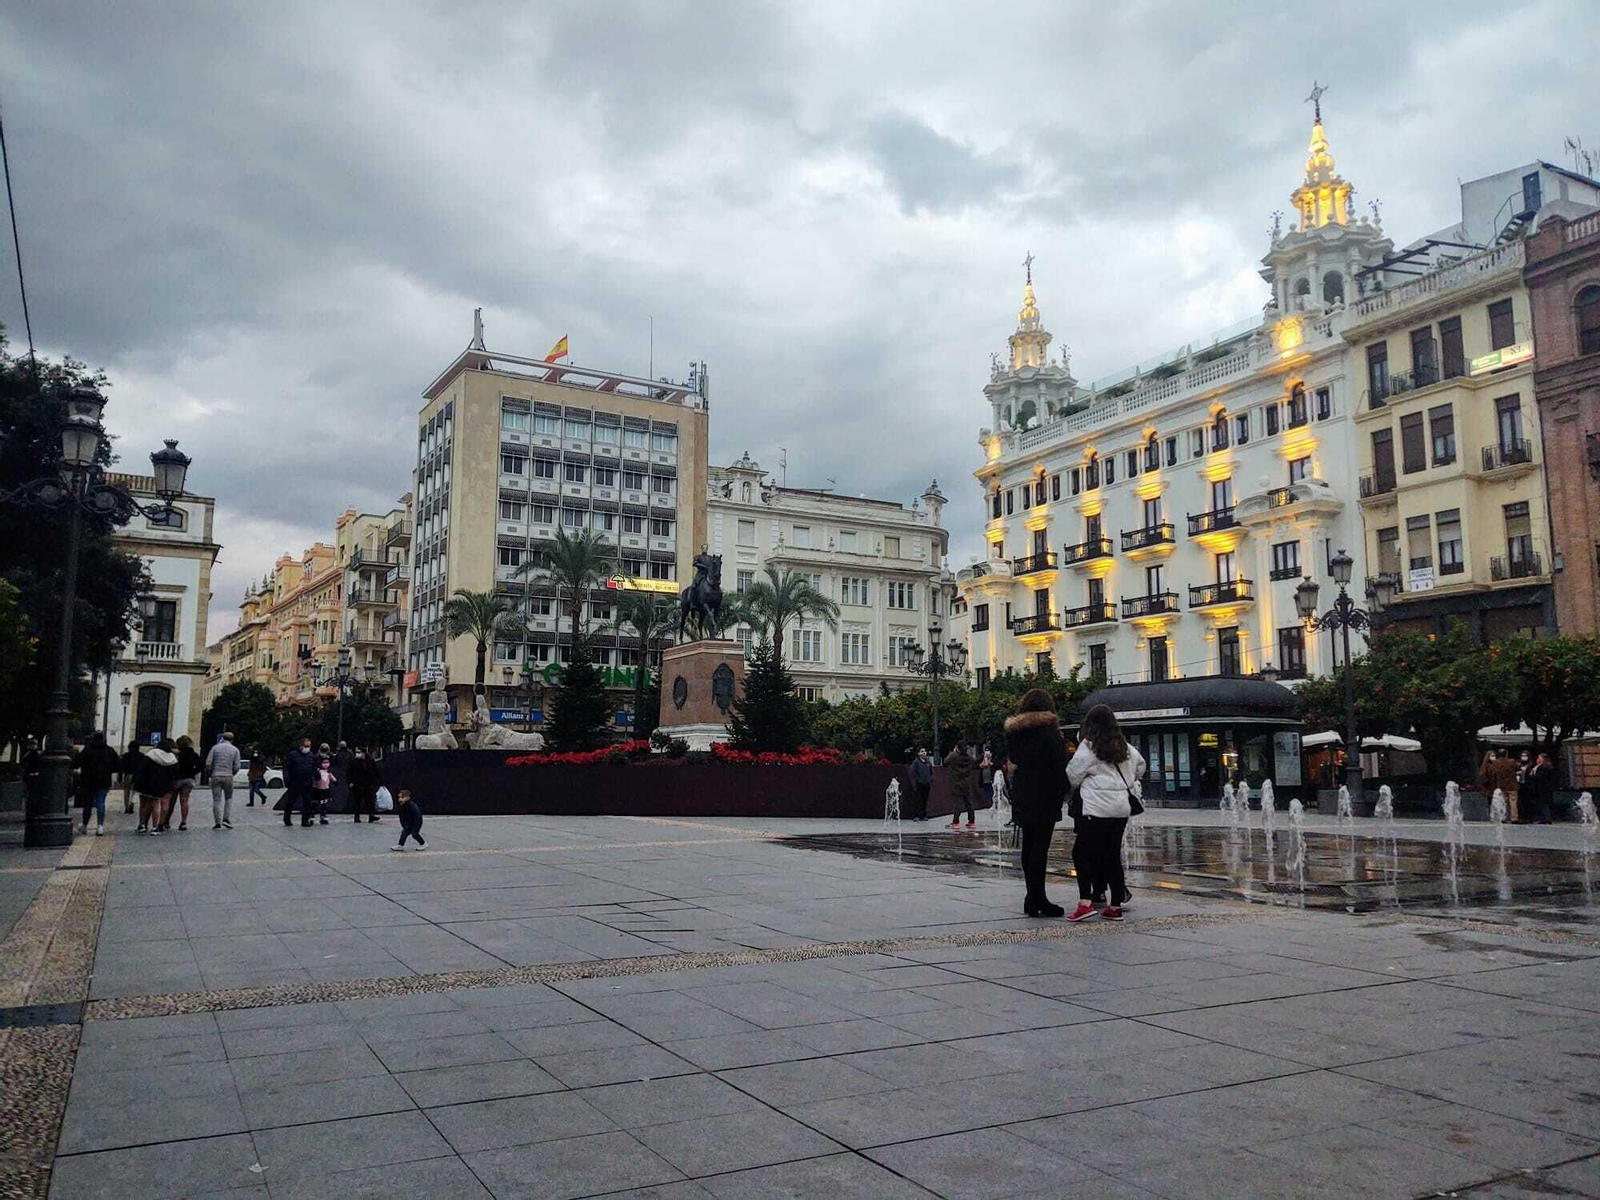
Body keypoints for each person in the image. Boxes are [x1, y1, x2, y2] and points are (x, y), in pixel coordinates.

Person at [1066, 703, 1145, 922]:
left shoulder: (1089, 747)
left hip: (1096, 809)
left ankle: (1085, 903)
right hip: (1121, 809)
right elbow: (1141, 767)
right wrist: (1127, 781)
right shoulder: (1125, 747)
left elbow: (1072, 775)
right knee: (1112, 855)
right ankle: (1115, 905)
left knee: (1081, 854)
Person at [1004, 690, 1068, 917]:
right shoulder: (1049, 732)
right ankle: (1038, 899)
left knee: (1029, 845)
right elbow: (1060, 764)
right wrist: (1065, 791)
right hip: (1046, 794)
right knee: (1041, 846)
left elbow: (1013, 760)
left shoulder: (1015, 733)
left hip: (1022, 793)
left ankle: (1031, 898)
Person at [73, 732, 120, 836]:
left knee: (88, 804)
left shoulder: (87, 750)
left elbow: (76, 763)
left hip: (88, 781)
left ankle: (84, 825)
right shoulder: (109, 750)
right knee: (101, 803)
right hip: (103, 781)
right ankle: (100, 826)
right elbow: (117, 765)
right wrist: (108, 770)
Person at [132, 738, 179, 835]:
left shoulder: (152, 754)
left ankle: (142, 825)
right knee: (156, 804)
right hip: (161, 784)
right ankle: (155, 826)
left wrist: (136, 781)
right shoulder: (172, 758)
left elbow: (142, 768)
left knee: (143, 804)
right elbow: (175, 773)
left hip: (146, 782)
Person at [161, 735, 202, 831]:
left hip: (177, 778)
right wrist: (193, 772)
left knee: (171, 801)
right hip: (189, 779)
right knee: (184, 801)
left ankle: (166, 821)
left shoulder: (177, 754)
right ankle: (183, 822)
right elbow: (200, 765)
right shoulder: (194, 754)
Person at [205, 732, 242, 830]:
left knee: (216, 800)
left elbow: (208, 763)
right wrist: (232, 772)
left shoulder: (215, 748)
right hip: (228, 776)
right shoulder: (235, 750)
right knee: (228, 798)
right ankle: (226, 818)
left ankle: (217, 822)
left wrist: (211, 772)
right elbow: (237, 766)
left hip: (216, 775)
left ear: (222, 738)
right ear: (232, 740)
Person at [1478, 749, 1520, 824]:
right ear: (1506, 754)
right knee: (1513, 802)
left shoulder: (1495, 763)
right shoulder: (1511, 762)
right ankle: (1514, 818)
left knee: (1504, 802)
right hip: (1512, 785)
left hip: (1501, 785)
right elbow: (1518, 769)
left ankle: (1504, 817)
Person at [283, 736, 317, 828]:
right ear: (301, 746)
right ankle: (287, 819)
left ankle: (305, 821)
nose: (307, 748)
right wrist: (287, 780)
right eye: (306, 746)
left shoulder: (311, 755)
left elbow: (314, 768)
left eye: (309, 746)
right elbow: (286, 768)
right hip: (294, 783)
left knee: (307, 802)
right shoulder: (292, 755)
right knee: (290, 802)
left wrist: (317, 776)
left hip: (307, 783)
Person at [944, 740, 976, 830]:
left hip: (956, 783)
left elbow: (945, 762)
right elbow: (974, 763)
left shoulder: (954, 756)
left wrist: (953, 752)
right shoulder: (969, 758)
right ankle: (971, 821)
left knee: (958, 803)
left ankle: (956, 822)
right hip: (967, 783)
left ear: (957, 748)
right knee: (969, 803)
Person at [347, 749, 384, 823]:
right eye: (357, 752)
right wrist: (350, 782)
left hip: (368, 784)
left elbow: (375, 771)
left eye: (359, 752)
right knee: (357, 801)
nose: (358, 754)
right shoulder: (353, 762)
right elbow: (349, 772)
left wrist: (379, 780)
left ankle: (371, 816)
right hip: (357, 784)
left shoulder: (369, 761)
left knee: (369, 801)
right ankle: (357, 817)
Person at [1524, 751, 1556, 824]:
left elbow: (1540, 777)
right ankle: (1543, 818)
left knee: (1543, 804)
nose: (1538, 759)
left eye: (1539, 758)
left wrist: (1532, 775)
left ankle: (1546, 818)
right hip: (1540, 788)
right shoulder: (1543, 766)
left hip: (1542, 788)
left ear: (1543, 759)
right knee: (1540, 803)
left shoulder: (1544, 767)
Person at [310, 743, 335, 825]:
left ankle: (320, 815)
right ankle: (314, 815)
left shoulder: (323, 758)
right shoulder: (316, 758)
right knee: (316, 801)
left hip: (324, 784)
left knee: (323, 801)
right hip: (317, 783)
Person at [908, 749, 933, 822]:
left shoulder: (928, 762)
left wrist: (930, 779)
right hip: (919, 784)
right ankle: (916, 815)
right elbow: (913, 772)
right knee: (918, 799)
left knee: (925, 800)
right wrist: (918, 780)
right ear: (918, 753)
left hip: (927, 784)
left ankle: (923, 815)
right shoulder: (916, 762)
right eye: (922, 751)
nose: (924, 752)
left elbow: (931, 772)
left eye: (925, 751)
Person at [119, 739, 142, 814]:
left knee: (126, 792)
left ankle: (126, 807)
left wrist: (120, 776)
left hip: (127, 775)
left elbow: (121, 767)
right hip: (137, 776)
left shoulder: (126, 755)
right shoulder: (141, 756)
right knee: (135, 792)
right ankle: (132, 804)